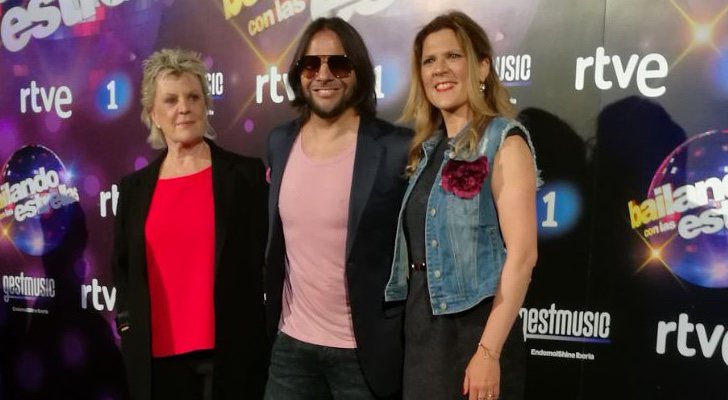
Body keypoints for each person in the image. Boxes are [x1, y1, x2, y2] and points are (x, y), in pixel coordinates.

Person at [384, 11, 539, 400]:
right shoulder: (428, 151)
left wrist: (488, 352)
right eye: (429, 60)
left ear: (482, 67)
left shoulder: (504, 142)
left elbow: (522, 256)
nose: (440, 69)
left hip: (475, 332)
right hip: (422, 331)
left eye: (453, 56)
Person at [264, 17, 411, 400]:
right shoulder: (280, 142)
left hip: (363, 356)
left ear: (358, 72)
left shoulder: (396, 147)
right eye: (311, 65)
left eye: (339, 64)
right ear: (298, 76)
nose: (324, 75)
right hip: (291, 348)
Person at [111, 48, 268, 400]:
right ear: (153, 113)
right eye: (171, 100)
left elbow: (268, 257)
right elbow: (122, 267)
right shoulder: (134, 189)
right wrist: (127, 323)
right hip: (156, 361)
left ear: (206, 104)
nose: (184, 107)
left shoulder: (244, 175)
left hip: (230, 356)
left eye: (193, 96)